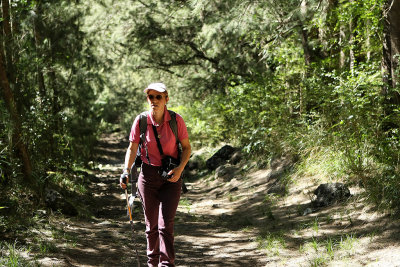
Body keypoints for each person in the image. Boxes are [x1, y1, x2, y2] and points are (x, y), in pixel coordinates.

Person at [120, 82, 191, 267]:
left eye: (158, 97)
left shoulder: (176, 121)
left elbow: (186, 148)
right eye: (151, 97)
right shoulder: (141, 121)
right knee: (151, 226)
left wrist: (180, 169)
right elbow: (132, 147)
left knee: (165, 225)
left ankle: (166, 264)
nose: (154, 100)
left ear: (166, 99)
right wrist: (125, 171)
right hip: (148, 177)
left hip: (171, 177)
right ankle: (152, 264)